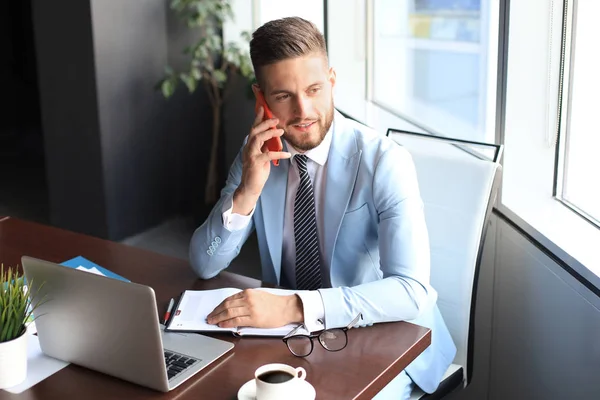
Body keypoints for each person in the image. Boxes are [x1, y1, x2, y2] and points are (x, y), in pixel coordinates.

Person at [190, 16, 456, 398]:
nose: (303, 110)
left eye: (314, 89)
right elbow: (204, 262)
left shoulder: (385, 161)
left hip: (385, 342)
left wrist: (294, 307)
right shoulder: (257, 157)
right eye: (283, 96)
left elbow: (412, 291)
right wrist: (247, 192)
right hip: (296, 345)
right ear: (261, 97)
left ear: (331, 81)